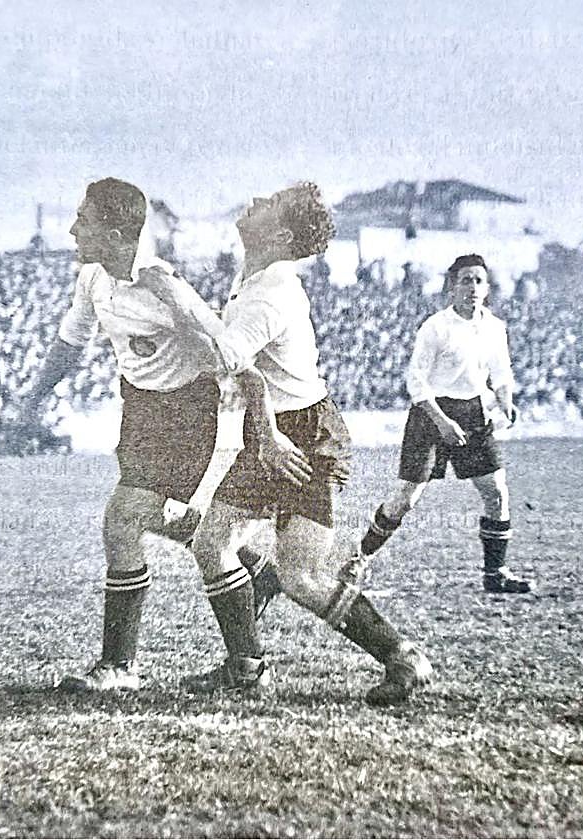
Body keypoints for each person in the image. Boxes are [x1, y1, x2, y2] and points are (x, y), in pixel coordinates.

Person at [147, 182, 432, 705]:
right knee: (213, 544)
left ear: (279, 234)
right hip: (273, 430)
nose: (252, 202)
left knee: (302, 575)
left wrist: (174, 296)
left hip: (306, 437)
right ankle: (246, 667)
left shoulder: (271, 291)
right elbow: (241, 364)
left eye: (266, 205)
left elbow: (227, 363)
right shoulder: (254, 275)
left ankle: (402, 657)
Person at [29, 177, 278, 693]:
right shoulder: (94, 279)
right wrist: (32, 397)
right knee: (161, 520)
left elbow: (231, 352)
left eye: (85, 221)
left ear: (118, 233)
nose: (73, 230)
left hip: (186, 412)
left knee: (122, 521)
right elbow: (70, 342)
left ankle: (120, 666)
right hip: (139, 409)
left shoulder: (163, 286)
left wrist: (262, 427)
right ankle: (251, 570)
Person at [355, 254, 532, 594]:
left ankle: (496, 574)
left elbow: (501, 373)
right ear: (452, 288)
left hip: (474, 414)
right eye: (466, 280)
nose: (473, 288)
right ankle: (358, 560)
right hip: (431, 413)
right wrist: (442, 422)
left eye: (479, 281)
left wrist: (506, 400)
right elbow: (416, 383)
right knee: (406, 499)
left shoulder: (494, 327)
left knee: (496, 492)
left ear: (487, 288)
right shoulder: (435, 327)